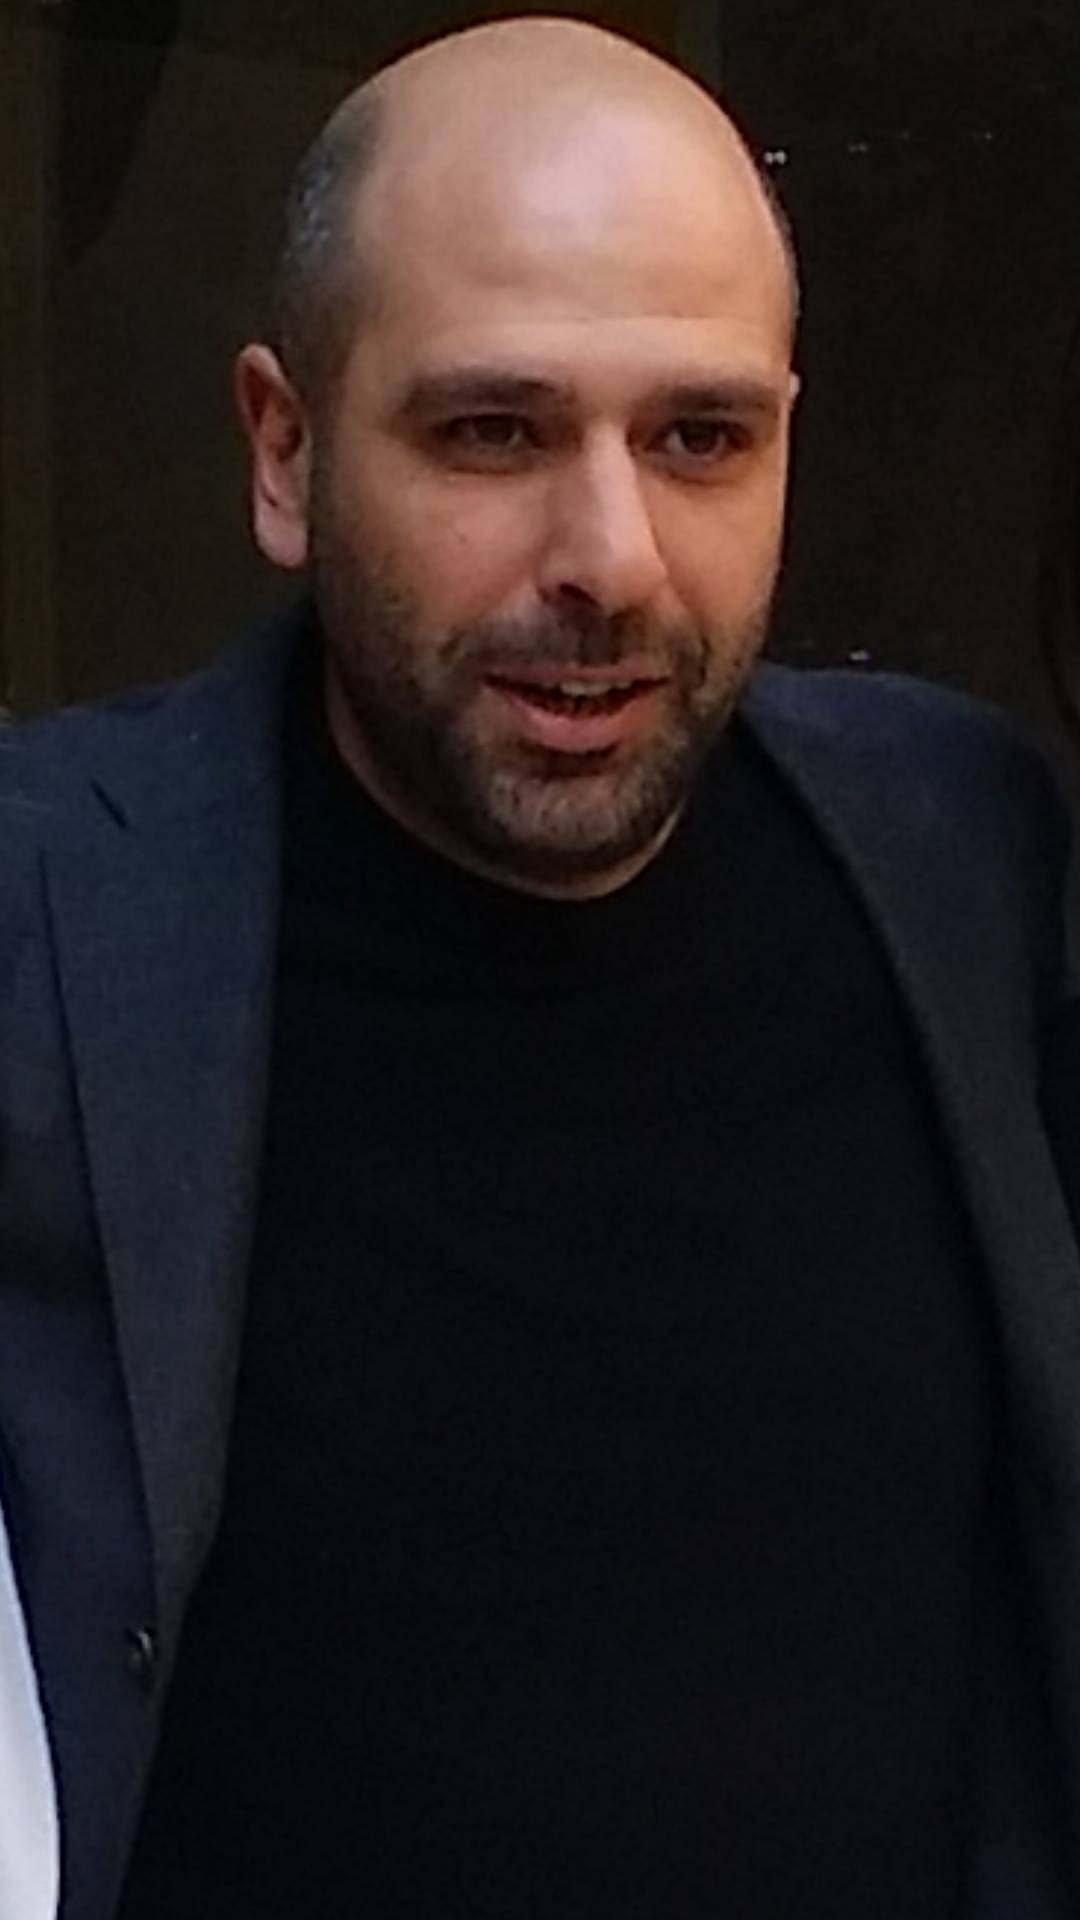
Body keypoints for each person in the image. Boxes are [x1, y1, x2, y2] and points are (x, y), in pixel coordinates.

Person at [1, 16, 1079, 1919]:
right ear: (284, 450)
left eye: (701, 439)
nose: (611, 557)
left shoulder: (959, 846)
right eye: (494, 431)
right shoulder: (49, 914)